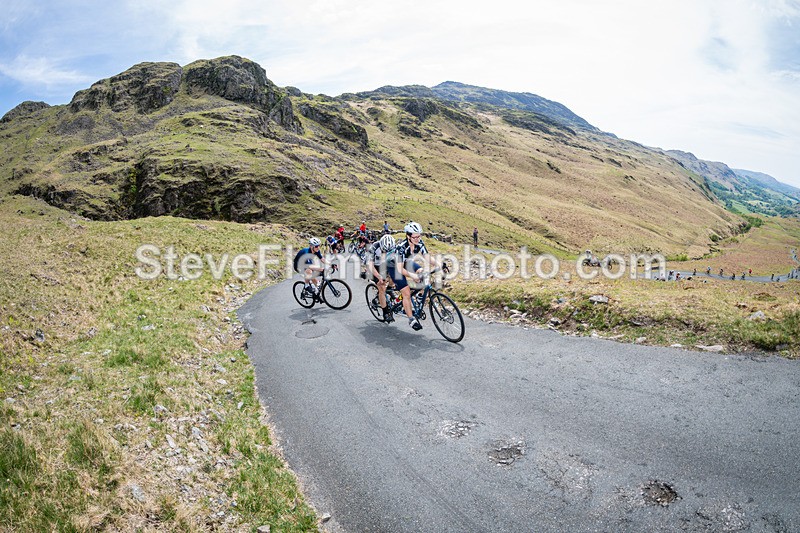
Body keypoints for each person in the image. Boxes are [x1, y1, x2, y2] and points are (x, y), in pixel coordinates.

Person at [394, 221, 437, 331]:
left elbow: (427, 257)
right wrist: (412, 276)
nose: (418, 239)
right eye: (415, 237)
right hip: (395, 267)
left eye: (419, 236)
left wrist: (439, 264)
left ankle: (418, 294)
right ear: (408, 236)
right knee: (406, 293)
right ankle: (411, 320)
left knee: (422, 272)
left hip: (406, 263)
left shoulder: (420, 243)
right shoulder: (402, 248)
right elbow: (400, 269)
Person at [367, 234, 397, 322]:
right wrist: (379, 276)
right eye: (384, 251)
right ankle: (385, 312)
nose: (385, 253)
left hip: (385, 265)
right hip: (374, 267)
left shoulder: (394, 247)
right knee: (382, 286)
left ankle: (390, 289)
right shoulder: (374, 248)